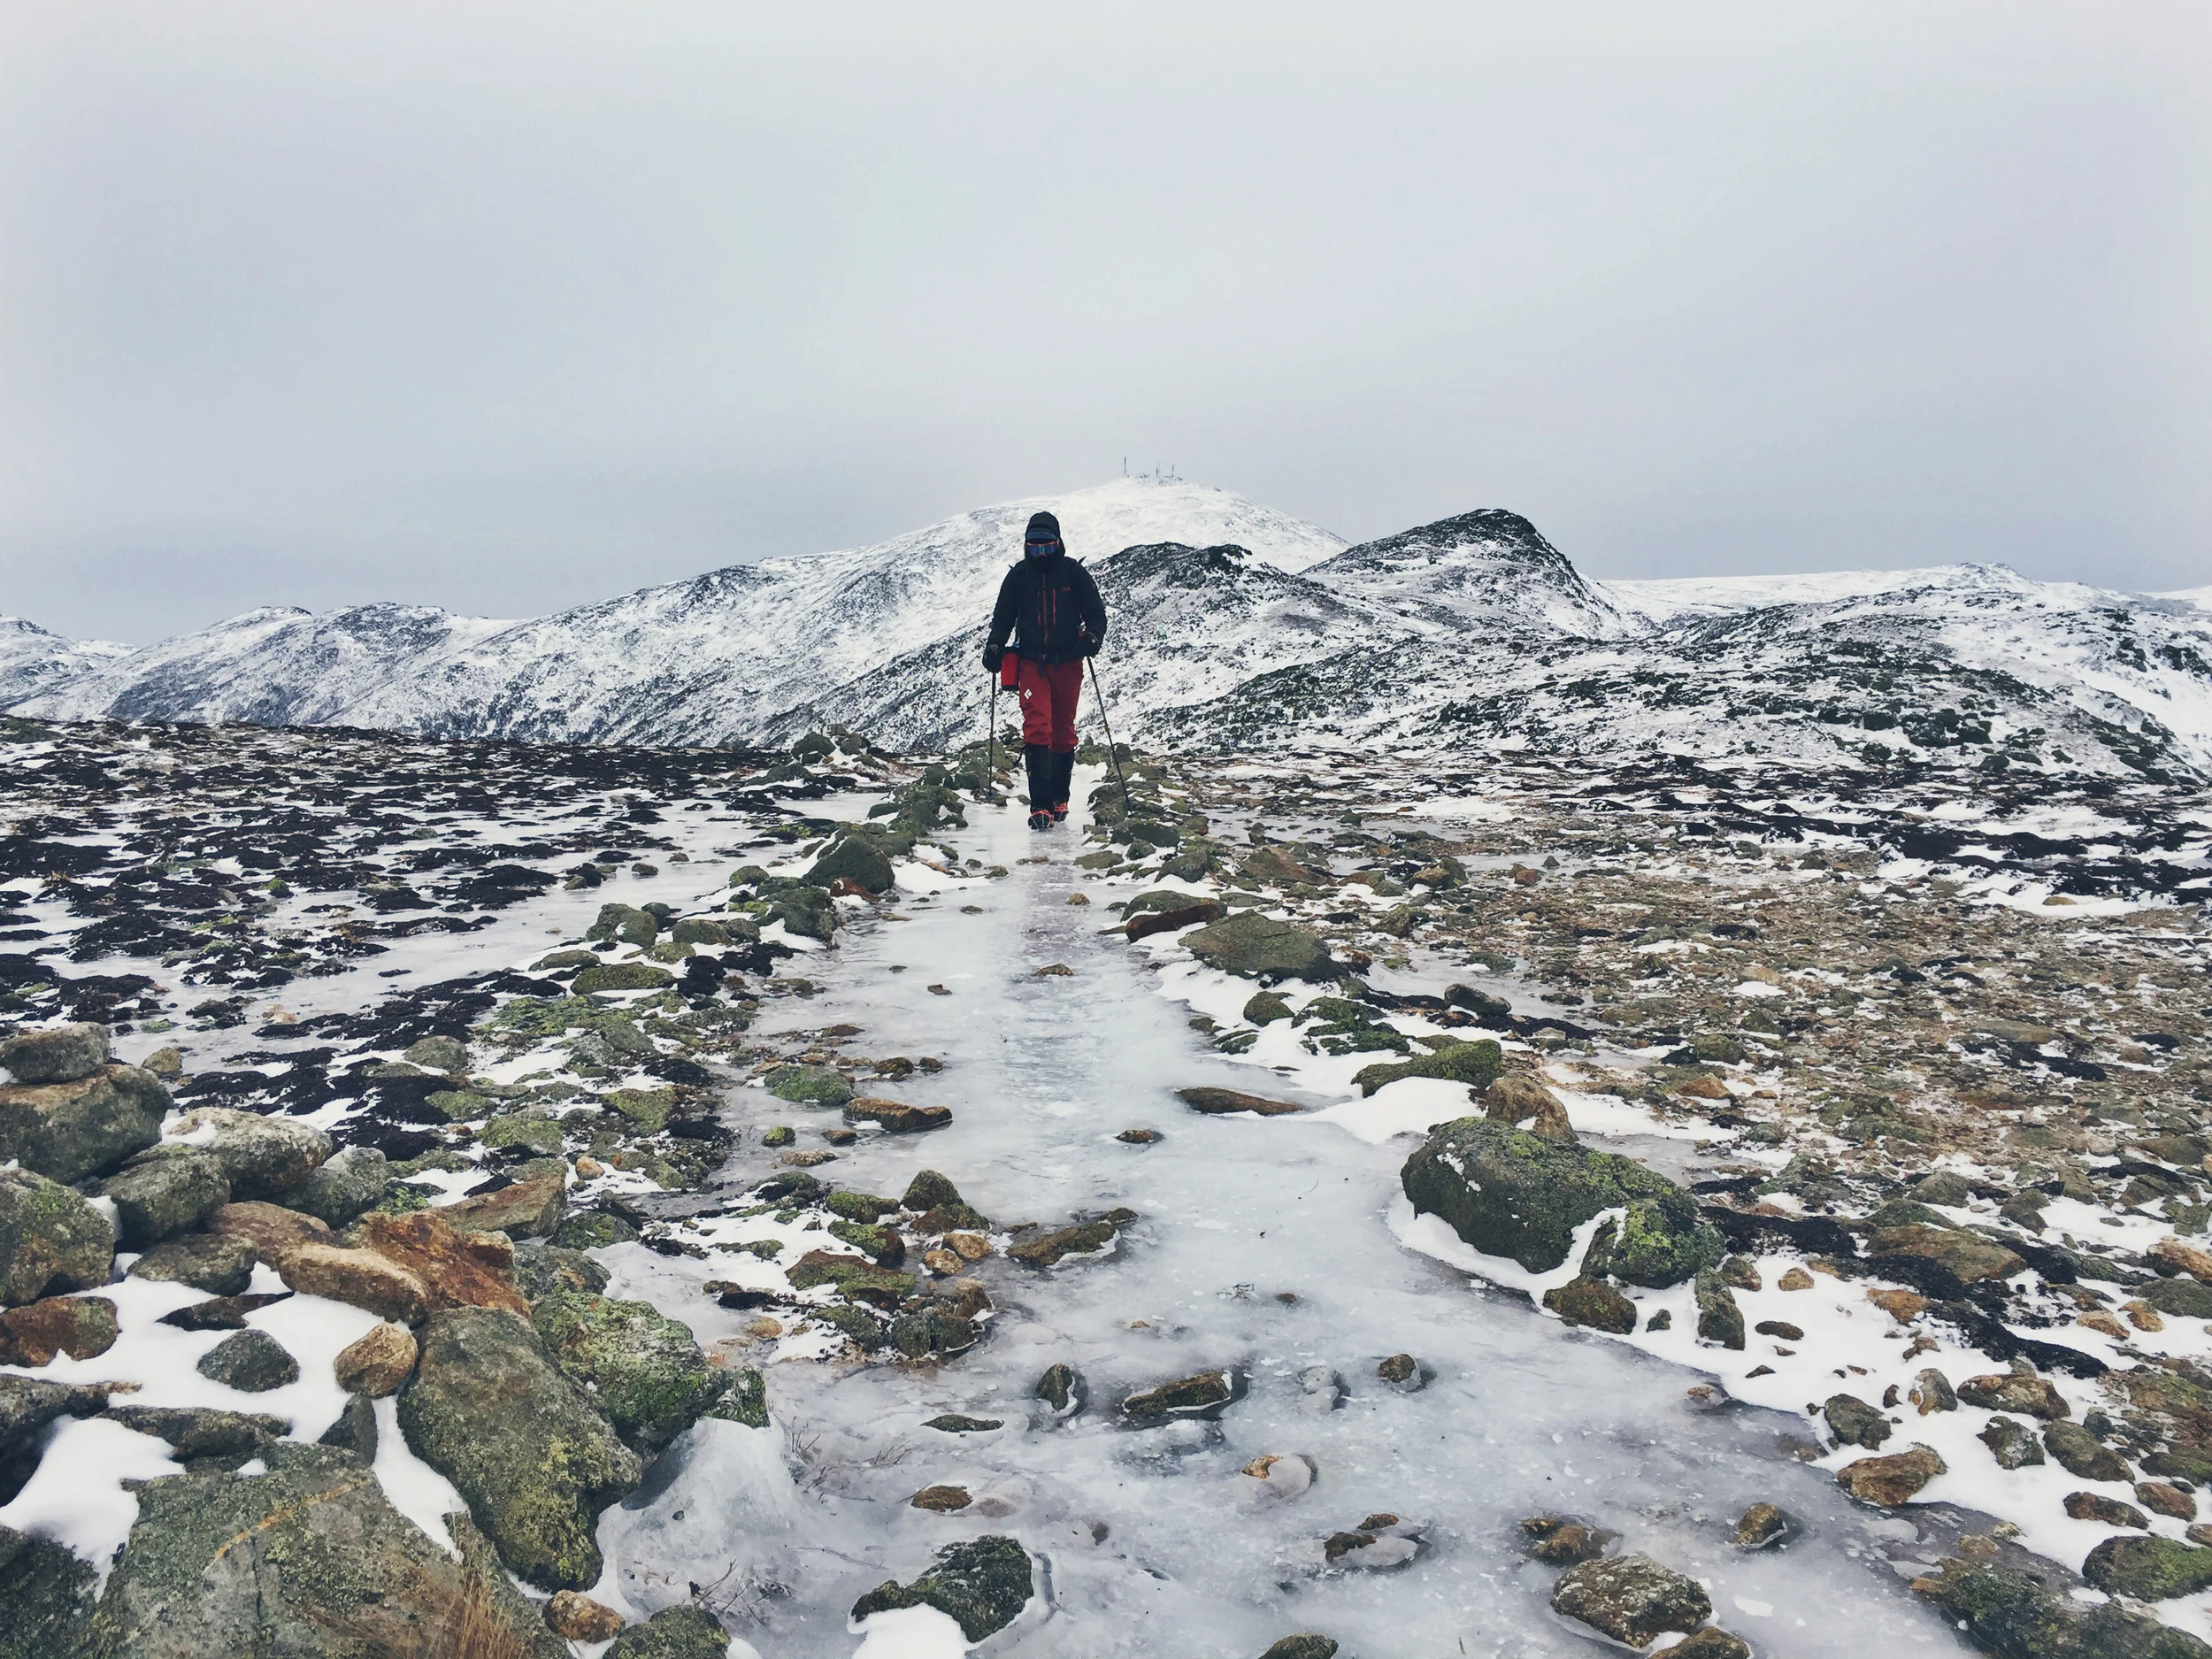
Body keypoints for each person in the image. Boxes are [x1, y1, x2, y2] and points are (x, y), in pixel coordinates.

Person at [982, 510, 1107, 830]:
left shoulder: (1074, 574)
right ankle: (1040, 806)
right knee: (1038, 727)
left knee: (1063, 731)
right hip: (1031, 662)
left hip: (1068, 661)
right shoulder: (1018, 577)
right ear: (1026, 546)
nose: (1040, 555)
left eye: (1046, 548)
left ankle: (1058, 798)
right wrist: (995, 646)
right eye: (1034, 548)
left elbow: (1096, 614)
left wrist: (1093, 637)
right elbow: (1003, 618)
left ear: (1058, 543)